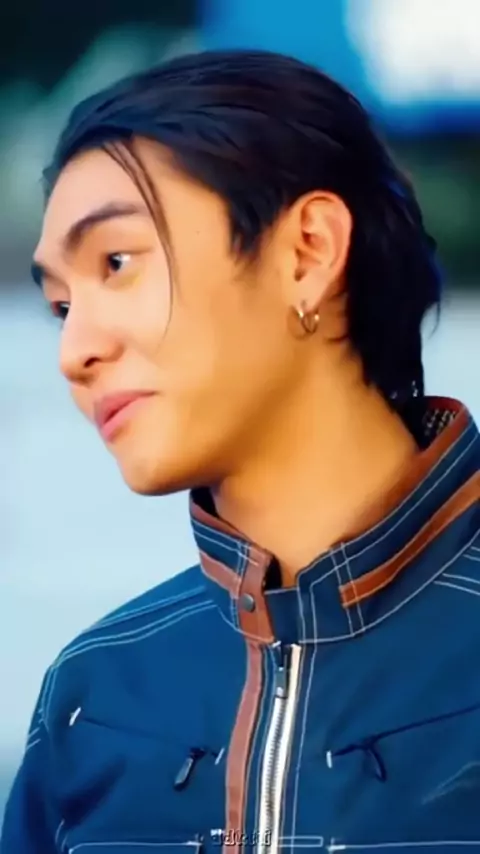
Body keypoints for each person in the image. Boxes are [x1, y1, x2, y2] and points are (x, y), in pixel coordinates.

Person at [2, 48, 479, 854]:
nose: (74, 351)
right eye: (60, 306)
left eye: (117, 262)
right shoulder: (93, 697)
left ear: (307, 252)